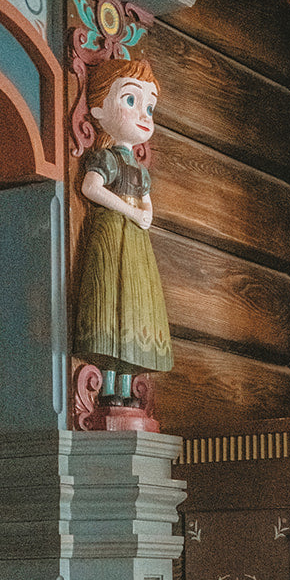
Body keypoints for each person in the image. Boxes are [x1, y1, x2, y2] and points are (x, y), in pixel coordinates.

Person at [74, 58, 173, 402]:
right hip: (113, 234)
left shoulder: (138, 168)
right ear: (98, 110)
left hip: (133, 239)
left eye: (149, 106)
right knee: (112, 299)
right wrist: (131, 211)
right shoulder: (107, 158)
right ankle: (109, 383)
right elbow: (91, 188)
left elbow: (146, 200)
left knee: (133, 304)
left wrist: (145, 214)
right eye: (131, 100)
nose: (144, 114)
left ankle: (125, 384)